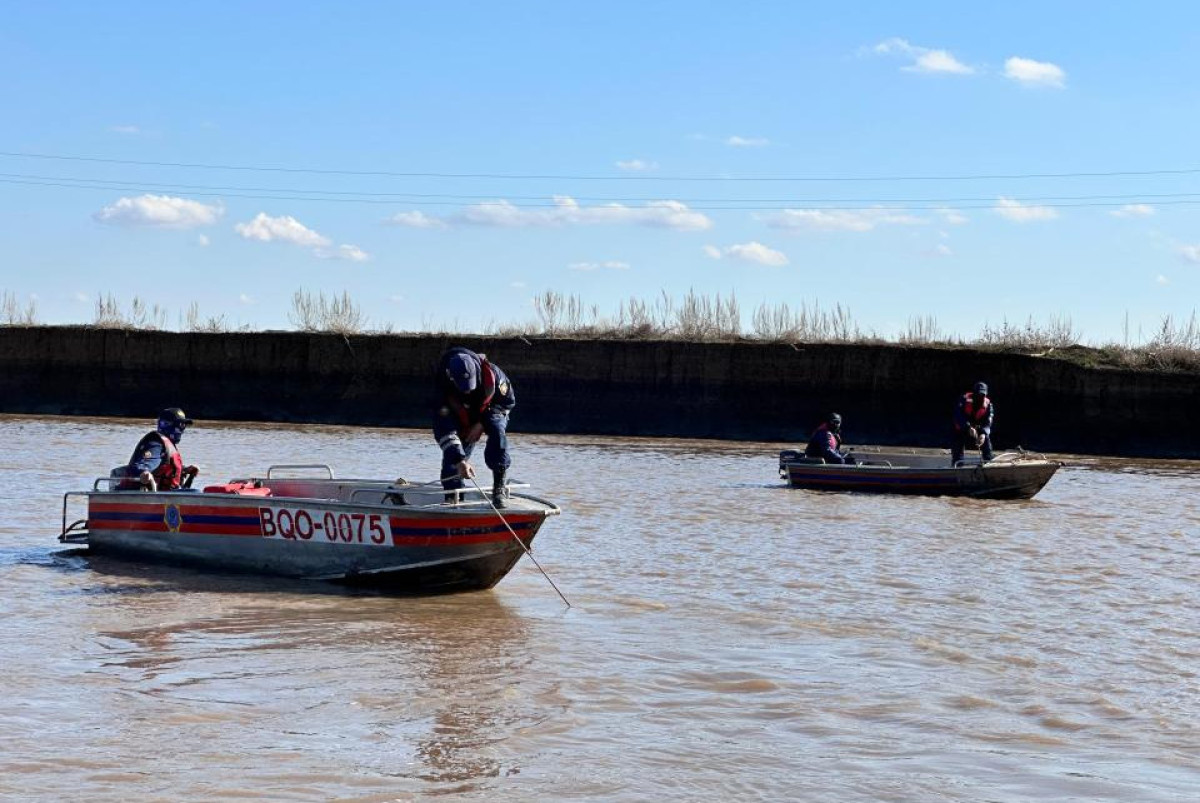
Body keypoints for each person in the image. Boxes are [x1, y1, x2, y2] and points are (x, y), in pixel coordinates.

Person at [433, 347, 516, 507]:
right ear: (451, 377)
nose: (467, 390)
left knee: (497, 430)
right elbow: (443, 428)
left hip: (490, 410)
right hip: (460, 414)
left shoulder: (495, 376)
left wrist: (481, 424)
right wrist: (460, 460)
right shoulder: (441, 390)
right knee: (453, 462)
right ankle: (453, 499)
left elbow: (508, 403)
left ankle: (498, 488)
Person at [118, 408, 200, 491]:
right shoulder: (156, 444)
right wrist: (144, 472)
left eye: (184, 426)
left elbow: (164, 467)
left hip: (169, 497)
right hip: (154, 498)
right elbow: (143, 464)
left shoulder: (167, 445)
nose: (182, 430)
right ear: (169, 424)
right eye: (181, 425)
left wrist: (184, 470)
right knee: (195, 492)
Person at [952, 381, 994, 465]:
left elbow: (989, 421)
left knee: (986, 441)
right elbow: (958, 416)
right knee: (957, 445)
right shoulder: (963, 399)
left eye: (983, 395)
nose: (980, 396)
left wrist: (983, 433)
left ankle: (988, 464)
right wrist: (968, 427)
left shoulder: (988, 404)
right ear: (974, 393)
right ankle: (958, 466)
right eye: (978, 394)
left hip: (978, 429)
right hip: (962, 429)